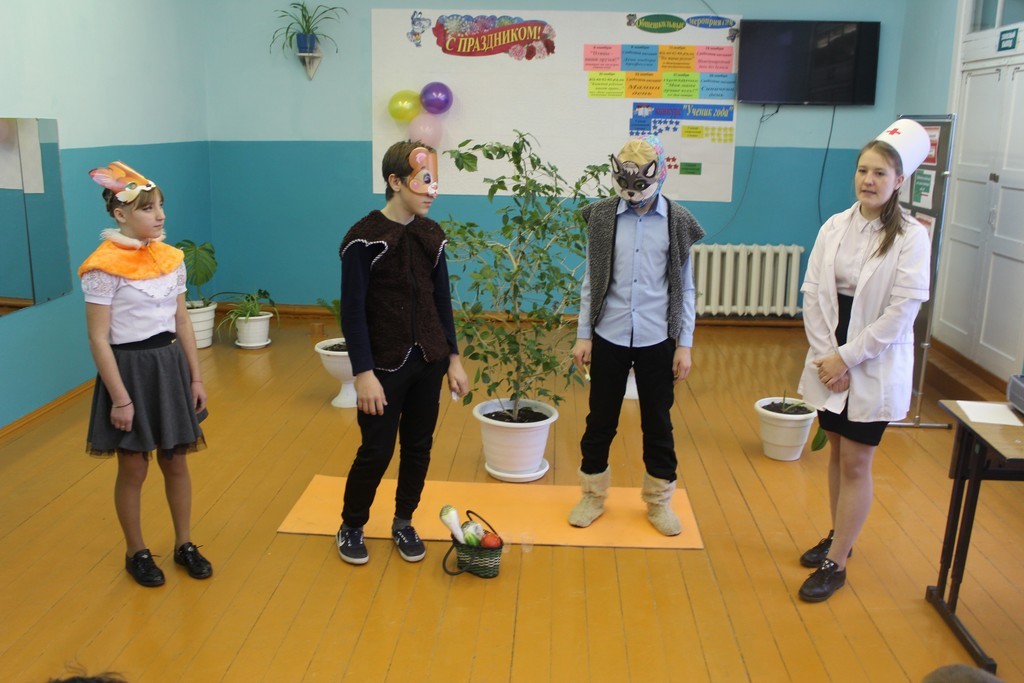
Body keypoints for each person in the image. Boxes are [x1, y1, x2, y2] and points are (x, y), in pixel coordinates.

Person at [796, 119, 932, 602]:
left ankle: (836, 563)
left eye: (880, 173)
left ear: (899, 181)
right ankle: (840, 536)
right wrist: (825, 356)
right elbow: (813, 293)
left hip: (872, 357)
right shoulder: (835, 226)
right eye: (863, 170)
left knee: (857, 461)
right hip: (830, 351)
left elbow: (901, 313)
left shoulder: (912, 236)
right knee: (836, 449)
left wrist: (846, 359)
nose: (868, 180)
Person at [335, 140, 468, 565]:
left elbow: (441, 300)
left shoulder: (431, 235)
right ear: (395, 181)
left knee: (418, 447)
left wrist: (453, 358)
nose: (432, 191)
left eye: (435, 182)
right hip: (383, 367)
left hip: (428, 360)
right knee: (376, 450)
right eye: (424, 181)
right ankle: (352, 525)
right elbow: (352, 311)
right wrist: (363, 372)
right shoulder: (364, 239)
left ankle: (404, 521)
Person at [79, 161, 212, 587]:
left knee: (176, 462)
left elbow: (182, 321)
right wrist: (120, 398)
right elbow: (99, 339)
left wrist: (195, 378)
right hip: (129, 373)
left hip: (169, 366)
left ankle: (184, 544)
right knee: (134, 468)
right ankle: (135, 551)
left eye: (160, 206)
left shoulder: (171, 259)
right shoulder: (103, 267)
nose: (160, 215)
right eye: (148, 208)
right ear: (121, 214)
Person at [569, 135, 704, 535]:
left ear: (658, 176)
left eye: (641, 185)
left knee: (658, 423)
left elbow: (686, 287)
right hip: (609, 334)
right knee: (600, 420)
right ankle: (592, 496)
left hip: (656, 338)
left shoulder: (677, 221)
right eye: (625, 184)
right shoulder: (601, 217)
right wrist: (583, 335)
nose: (633, 193)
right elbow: (592, 281)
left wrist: (684, 344)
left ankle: (659, 502)